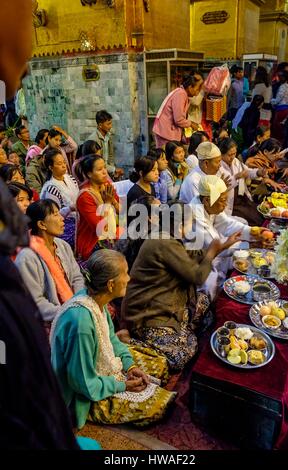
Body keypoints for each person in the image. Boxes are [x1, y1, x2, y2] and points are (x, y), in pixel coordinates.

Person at [0, 0, 92, 450]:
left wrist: (83, 299)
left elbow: (75, 276)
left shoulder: (60, 238)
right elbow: (36, 310)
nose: (34, 25)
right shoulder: (25, 250)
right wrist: (77, 311)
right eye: (30, 6)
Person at [51, 249, 176, 429]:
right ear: (110, 285)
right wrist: (122, 385)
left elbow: (111, 340)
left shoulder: (96, 301)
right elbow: (83, 383)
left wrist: (129, 366)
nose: (129, 278)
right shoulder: (82, 324)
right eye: (125, 273)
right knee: (159, 406)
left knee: (160, 365)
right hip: (82, 393)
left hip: (96, 371)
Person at [122, 202, 227, 370]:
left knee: (206, 305)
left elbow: (196, 256)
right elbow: (198, 276)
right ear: (179, 224)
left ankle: (182, 331)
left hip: (168, 304)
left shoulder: (171, 238)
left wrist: (222, 246)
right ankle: (130, 340)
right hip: (148, 315)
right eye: (190, 222)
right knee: (184, 354)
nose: (191, 226)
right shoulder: (162, 242)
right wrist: (213, 252)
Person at [188, 175, 264, 298]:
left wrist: (253, 232)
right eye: (223, 200)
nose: (226, 204)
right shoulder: (196, 218)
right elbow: (215, 249)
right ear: (207, 200)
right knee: (209, 284)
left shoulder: (207, 204)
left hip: (212, 254)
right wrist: (249, 244)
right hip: (197, 264)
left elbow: (227, 224)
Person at [15, 200, 84, 325]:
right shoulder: (27, 257)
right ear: (42, 224)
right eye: (56, 214)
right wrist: (69, 312)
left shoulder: (62, 246)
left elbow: (76, 278)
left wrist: (80, 303)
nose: (62, 218)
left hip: (73, 309)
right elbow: (35, 301)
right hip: (48, 321)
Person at [76, 155, 120, 262]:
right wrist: (108, 203)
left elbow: (122, 213)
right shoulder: (85, 196)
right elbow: (100, 229)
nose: (105, 172)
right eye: (100, 169)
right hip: (93, 242)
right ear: (89, 174)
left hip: (112, 233)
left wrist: (113, 201)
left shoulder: (106, 185)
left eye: (104, 167)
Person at [219, 138, 265, 225]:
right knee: (252, 219)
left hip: (242, 197)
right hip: (231, 203)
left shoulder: (236, 161)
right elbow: (220, 188)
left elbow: (247, 172)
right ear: (222, 154)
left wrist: (258, 172)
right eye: (230, 155)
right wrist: (236, 177)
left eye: (234, 154)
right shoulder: (218, 167)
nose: (232, 157)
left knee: (259, 213)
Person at [40, 149, 79, 248]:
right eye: (59, 163)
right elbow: (53, 215)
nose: (63, 165)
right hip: (64, 224)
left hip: (77, 217)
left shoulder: (71, 179)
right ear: (50, 167)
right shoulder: (52, 188)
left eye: (64, 162)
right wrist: (70, 208)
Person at [152, 72, 202, 147]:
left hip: (166, 132)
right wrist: (191, 124)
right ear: (190, 87)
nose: (197, 93)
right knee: (166, 156)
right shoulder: (180, 94)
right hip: (165, 133)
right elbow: (179, 120)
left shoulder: (182, 93)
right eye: (197, 89)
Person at [88, 110, 124, 180]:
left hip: (107, 169)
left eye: (111, 123)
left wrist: (113, 172)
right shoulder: (94, 140)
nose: (110, 126)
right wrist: (113, 169)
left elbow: (110, 155)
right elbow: (96, 163)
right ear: (100, 125)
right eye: (108, 124)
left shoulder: (108, 135)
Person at [271, 70, 288, 143]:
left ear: (283, 77)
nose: (277, 78)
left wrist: (271, 101)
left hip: (281, 110)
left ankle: (277, 144)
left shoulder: (282, 87)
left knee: (277, 128)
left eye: (278, 76)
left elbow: (277, 100)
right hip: (286, 109)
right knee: (281, 128)